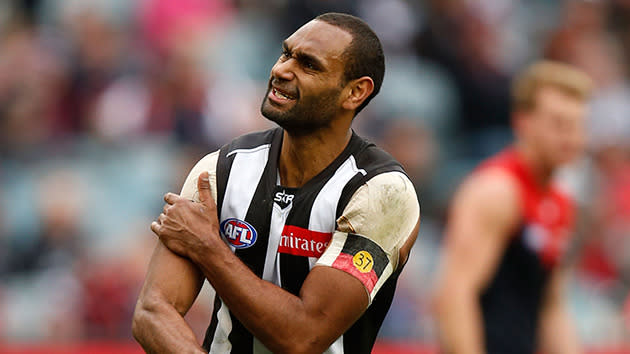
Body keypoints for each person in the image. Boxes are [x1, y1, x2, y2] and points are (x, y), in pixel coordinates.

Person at [132, 13, 420, 354]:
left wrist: (209, 247)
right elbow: (153, 312)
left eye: (309, 65)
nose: (281, 70)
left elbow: (304, 337)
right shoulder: (220, 171)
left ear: (356, 91)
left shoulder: (380, 192)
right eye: (286, 54)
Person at [432, 61, 592, 354]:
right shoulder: (495, 191)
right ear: (523, 122)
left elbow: (551, 307)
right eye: (559, 123)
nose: (571, 137)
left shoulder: (560, 202)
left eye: (578, 125)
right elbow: (455, 295)